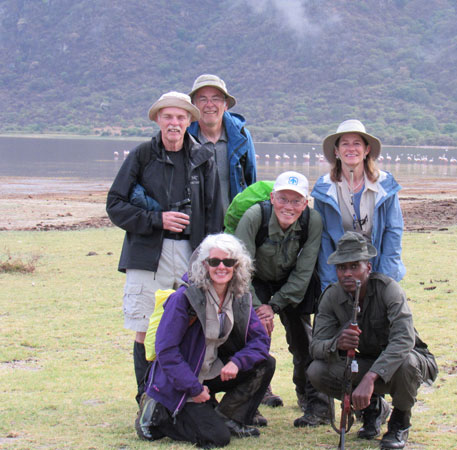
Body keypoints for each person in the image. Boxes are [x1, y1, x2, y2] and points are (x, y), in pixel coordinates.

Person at [106, 91, 224, 403]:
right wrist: (157, 219)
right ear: (158, 119)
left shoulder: (203, 158)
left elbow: (215, 215)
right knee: (145, 326)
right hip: (147, 255)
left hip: (191, 254)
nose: (174, 123)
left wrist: (211, 262)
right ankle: (145, 397)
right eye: (168, 116)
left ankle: (182, 395)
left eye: (181, 117)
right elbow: (115, 204)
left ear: (189, 121)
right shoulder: (142, 155)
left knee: (189, 323)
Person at [135, 233, 274, 448]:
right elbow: (166, 351)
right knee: (216, 438)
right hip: (182, 378)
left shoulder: (238, 296)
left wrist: (237, 362)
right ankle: (157, 418)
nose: (221, 267)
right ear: (204, 265)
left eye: (228, 262)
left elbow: (261, 341)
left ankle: (229, 417)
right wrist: (193, 389)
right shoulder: (183, 298)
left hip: (211, 370)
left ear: (237, 266)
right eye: (214, 261)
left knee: (265, 363)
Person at [307, 231, 438, 449]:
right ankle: (372, 409)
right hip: (363, 362)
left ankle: (399, 423)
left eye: (354, 266)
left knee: (406, 364)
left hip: (404, 361)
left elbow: (404, 341)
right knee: (317, 371)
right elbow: (316, 346)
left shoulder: (389, 290)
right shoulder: (331, 296)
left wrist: (370, 378)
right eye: (341, 268)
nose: (347, 274)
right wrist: (337, 343)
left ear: (367, 267)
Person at [234, 171, 330, 427]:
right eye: (283, 199)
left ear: (305, 202)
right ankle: (251, 401)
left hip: (291, 282)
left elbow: (305, 269)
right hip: (254, 280)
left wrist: (276, 304)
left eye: (296, 201)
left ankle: (313, 402)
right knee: (251, 336)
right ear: (272, 197)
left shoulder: (313, 221)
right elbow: (241, 269)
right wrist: (258, 308)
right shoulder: (255, 216)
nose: (289, 206)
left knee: (304, 340)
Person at [311, 119, 406, 290]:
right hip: (341, 266)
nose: (351, 148)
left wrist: (385, 279)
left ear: (367, 150)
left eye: (357, 143)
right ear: (336, 151)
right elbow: (323, 239)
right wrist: (331, 284)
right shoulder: (324, 188)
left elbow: (393, 231)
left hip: (376, 262)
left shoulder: (385, 184)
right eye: (345, 144)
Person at [187, 74, 257, 212]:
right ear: (194, 105)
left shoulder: (242, 136)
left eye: (216, 98)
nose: (209, 105)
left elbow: (251, 182)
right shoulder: (184, 137)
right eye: (202, 99)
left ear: (225, 105)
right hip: (195, 225)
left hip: (232, 224)